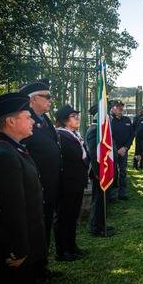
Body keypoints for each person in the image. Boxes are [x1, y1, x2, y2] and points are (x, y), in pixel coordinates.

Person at [0, 92, 47, 284]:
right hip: (14, 251)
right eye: (27, 117)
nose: (33, 120)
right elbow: (10, 208)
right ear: (11, 121)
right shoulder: (4, 155)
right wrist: (18, 250)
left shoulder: (11, 148)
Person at [19, 80, 61, 284]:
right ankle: (31, 276)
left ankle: (41, 268)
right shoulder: (23, 120)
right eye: (47, 96)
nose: (51, 100)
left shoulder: (44, 119)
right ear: (33, 98)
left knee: (44, 226)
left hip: (49, 184)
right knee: (33, 230)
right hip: (35, 185)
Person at [54, 105, 89, 262]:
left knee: (72, 216)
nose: (77, 118)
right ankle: (62, 251)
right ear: (64, 120)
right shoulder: (61, 135)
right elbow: (75, 157)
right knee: (64, 217)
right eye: (74, 116)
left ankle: (72, 246)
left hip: (77, 182)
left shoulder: (73, 134)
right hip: (67, 184)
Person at [85, 104, 115, 237]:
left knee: (103, 200)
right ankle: (95, 227)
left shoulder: (101, 130)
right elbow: (94, 155)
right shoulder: (94, 131)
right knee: (98, 200)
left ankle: (101, 224)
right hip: (99, 172)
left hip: (104, 170)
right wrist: (99, 173)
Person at [110, 99, 134, 200]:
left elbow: (131, 135)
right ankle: (112, 194)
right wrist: (116, 149)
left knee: (123, 172)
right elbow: (109, 137)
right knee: (113, 172)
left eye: (121, 106)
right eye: (117, 106)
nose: (120, 108)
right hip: (112, 151)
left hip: (124, 150)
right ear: (112, 108)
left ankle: (122, 193)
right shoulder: (109, 121)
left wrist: (126, 147)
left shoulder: (127, 120)